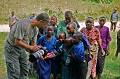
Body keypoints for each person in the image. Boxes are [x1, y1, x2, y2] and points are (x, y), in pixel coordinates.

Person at [4, 13, 49, 79]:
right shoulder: (23, 24)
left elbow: (33, 44)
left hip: (21, 49)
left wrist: (39, 54)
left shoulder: (35, 29)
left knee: (25, 71)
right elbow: (17, 41)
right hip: (12, 48)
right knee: (14, 73)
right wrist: (31, 47)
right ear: (40, 21)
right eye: (45, 24)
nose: (45, 26)